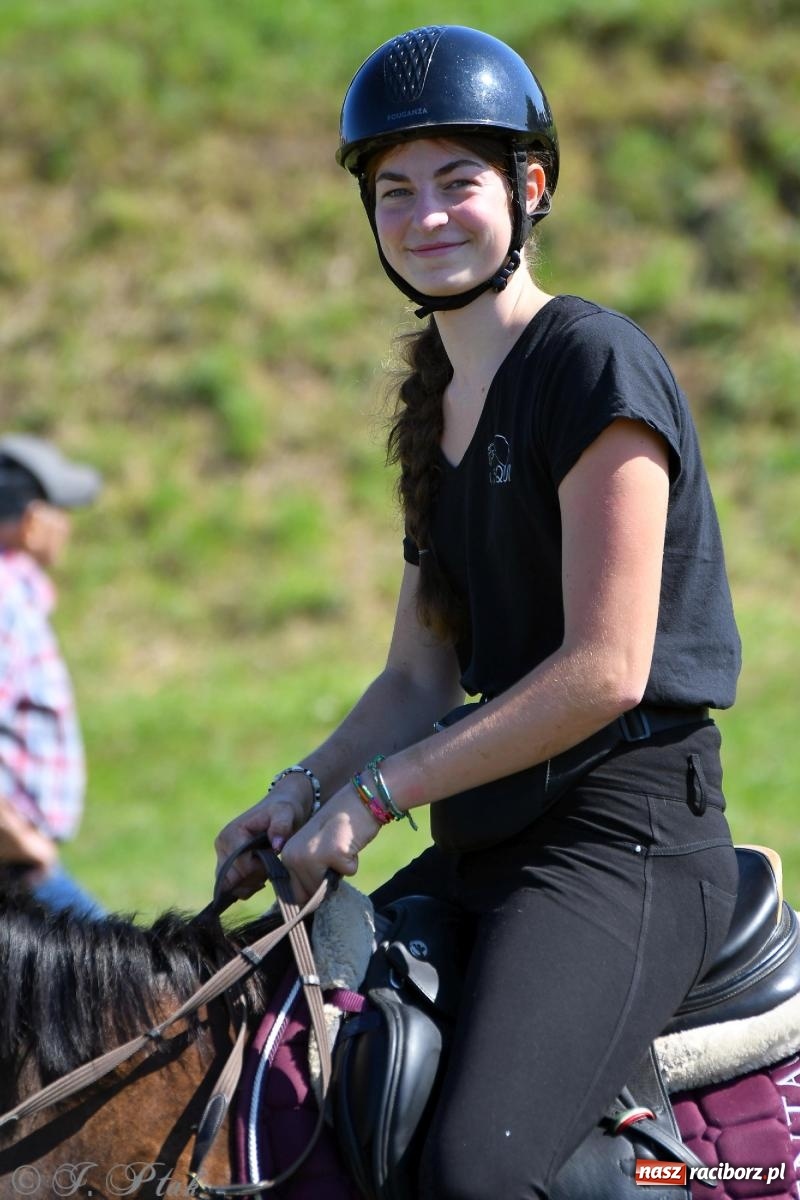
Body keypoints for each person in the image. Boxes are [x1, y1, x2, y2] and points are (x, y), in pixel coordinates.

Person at [216, 25, 742, 1198]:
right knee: (274, 1077)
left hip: (625, 846)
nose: (424, 216)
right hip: (483, 841)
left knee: (472, 1174)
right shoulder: (437, 397)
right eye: (393, 191)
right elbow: (416, 678)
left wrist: (375, 796)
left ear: (528, 187)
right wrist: (293, 792)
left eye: (457, 182)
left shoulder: (591, 363)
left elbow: (603, 668)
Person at [0, 432, 104, 919]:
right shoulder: (6, 605)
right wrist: (19, 840)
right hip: (16, 867)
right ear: (32, 521)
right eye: (61, 512)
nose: (66, 527)